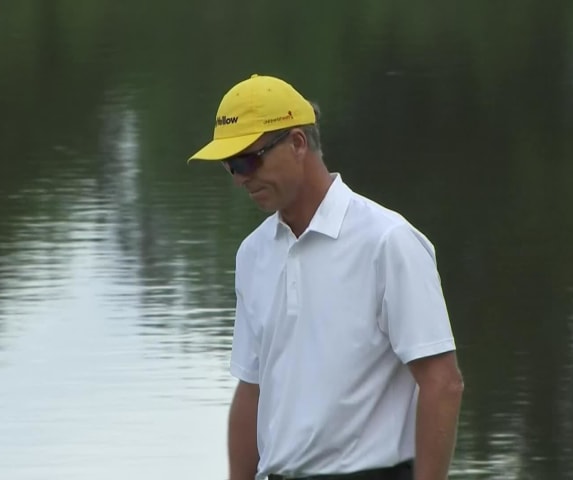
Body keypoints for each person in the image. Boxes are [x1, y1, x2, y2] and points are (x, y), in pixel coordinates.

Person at [187, 74, 464, 480]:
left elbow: (442, 382)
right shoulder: (253, 253)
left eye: (249, 160)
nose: (240, 178)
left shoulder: (388, 241)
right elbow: (252, 389)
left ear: (298, 144)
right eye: (230, 165)